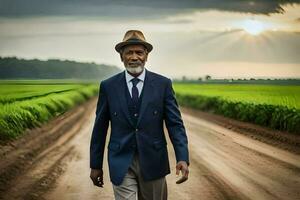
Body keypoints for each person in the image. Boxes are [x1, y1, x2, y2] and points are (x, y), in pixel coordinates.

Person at [90, 30, 189, 200]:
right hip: (120, 160)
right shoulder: (108, 86)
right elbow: (100, 128)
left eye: (139, 52)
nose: (134, 57)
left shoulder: (163, 84)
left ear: (146, 56)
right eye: (129, 52)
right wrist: (95, 165)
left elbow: (175, 124)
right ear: (121, 57)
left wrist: (183, 157)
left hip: (154, 160)